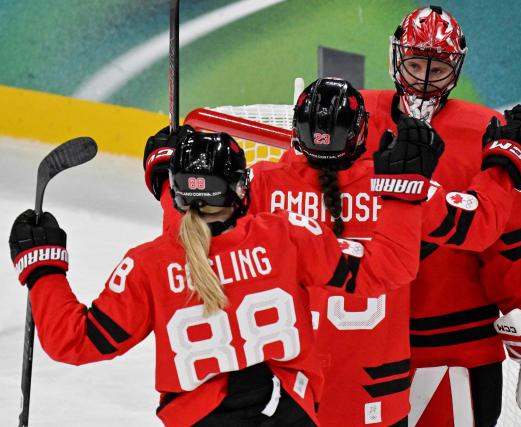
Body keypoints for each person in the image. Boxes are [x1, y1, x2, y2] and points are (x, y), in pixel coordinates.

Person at [142, 76, 521, 426]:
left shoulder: (264, 186)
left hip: (290, 399)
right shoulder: (397, 188)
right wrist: (505, 163)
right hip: (375, 397)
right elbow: (478, 227)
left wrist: (167, 176)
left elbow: (192, 236)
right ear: (361, 132)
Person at [9, 131, 426, 427]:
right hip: (288, 415)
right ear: (241, 189)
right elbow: (387, 267)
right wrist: (404, 196)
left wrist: (43, 267)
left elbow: (74, 341)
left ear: (175, 194)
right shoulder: (286, 236)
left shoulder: (149, 266)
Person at [358, 5, 521, 426]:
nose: (423, 78)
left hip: (456, 352)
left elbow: (517, 244)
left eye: (437, 69)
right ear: (397, 59)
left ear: (455, 70)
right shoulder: (357, 117)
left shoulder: (485, 130)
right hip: (362, 347)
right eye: (416, 63)